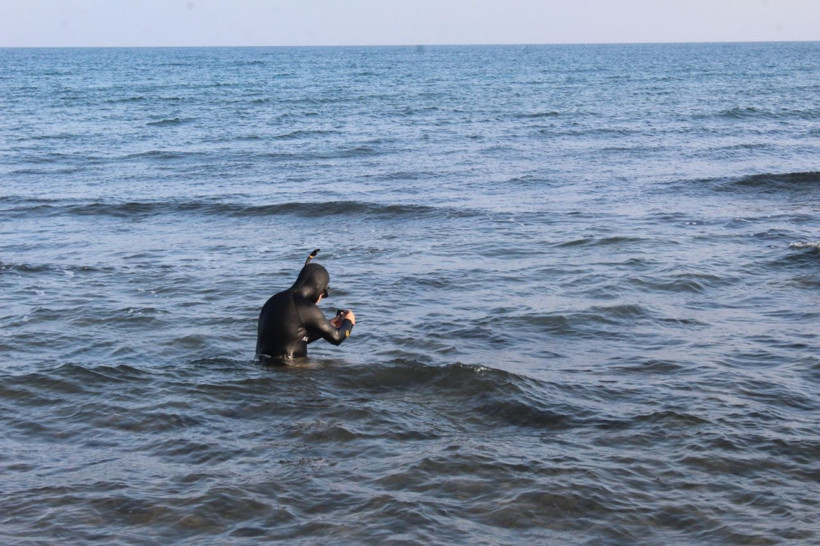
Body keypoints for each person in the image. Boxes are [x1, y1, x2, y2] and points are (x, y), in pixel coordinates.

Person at [256, 249, 356, 363]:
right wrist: (349, 322)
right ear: (319, 289)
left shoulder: (273, 301)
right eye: (323, 295)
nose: (320, 299)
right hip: (291, 371)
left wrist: (327, 325)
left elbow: (294, 339)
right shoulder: (306, 308)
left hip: (264, 368)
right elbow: (337, 338)